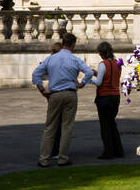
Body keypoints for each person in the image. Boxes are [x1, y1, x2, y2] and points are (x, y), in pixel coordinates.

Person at [32, 33, 94, 166]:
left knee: (50, 127)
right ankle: (63, 157)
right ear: (73, 44)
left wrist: (42, 89)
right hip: (70, 93)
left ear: (63, 42)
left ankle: (44, 158)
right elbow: (88, 72)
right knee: (67, 127)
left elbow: (36, 73)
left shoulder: (51, 59)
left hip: (54, 94)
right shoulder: (75, 59)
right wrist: (82, 83)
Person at [92, 41, 124, 159]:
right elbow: (111, 77)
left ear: (101, 53)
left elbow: (99, 82)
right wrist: (97, 74)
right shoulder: (117, 63)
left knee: (105, 126)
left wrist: (89, 79)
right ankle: (118, 150)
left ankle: (108, 151)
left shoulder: (102, 64)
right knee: (112, 123)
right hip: (115, 96)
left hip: (104, 96)